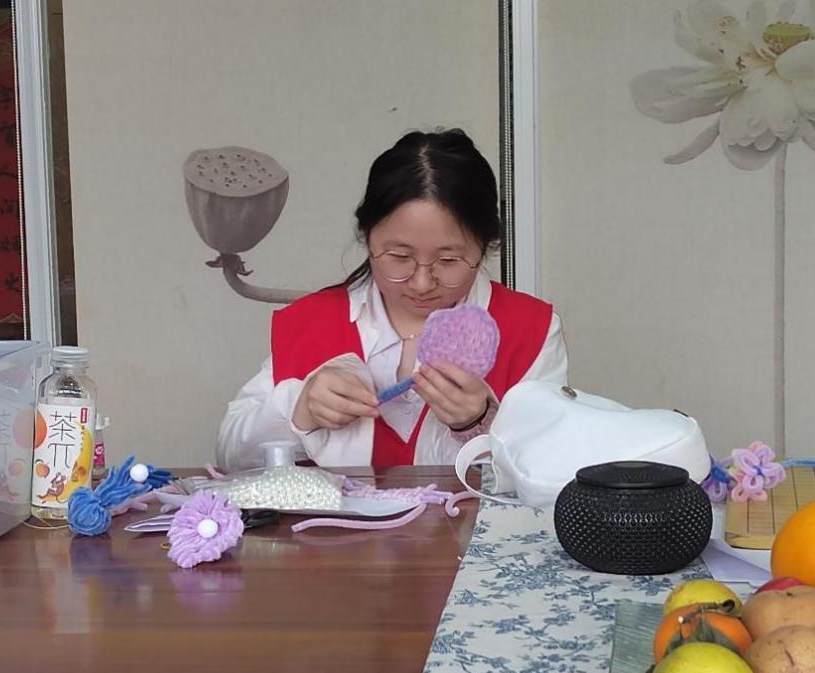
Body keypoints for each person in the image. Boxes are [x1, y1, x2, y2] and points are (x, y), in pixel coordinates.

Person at [216, 128, 567, 471]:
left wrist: (481, 422)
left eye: (448, 261)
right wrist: (301, 409)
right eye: (399, 257)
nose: (422, 282)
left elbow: (555, 468)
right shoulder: (310, 322)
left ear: (486, 245)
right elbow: (230, 455)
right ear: (367, 236)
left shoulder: (531, 330)